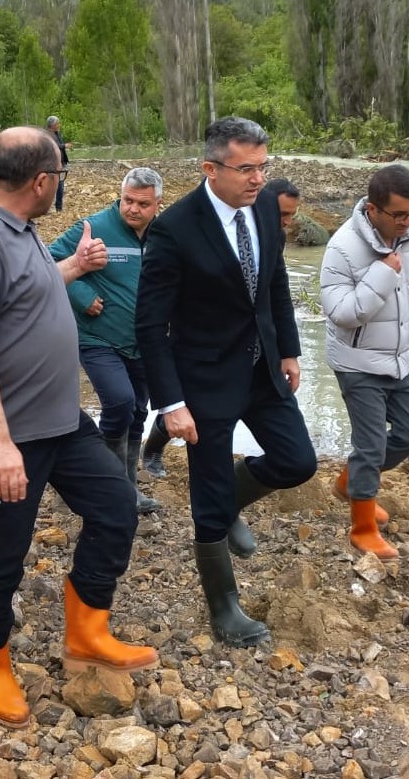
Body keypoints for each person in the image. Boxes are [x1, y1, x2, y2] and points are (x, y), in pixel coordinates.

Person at [0, 127, 155, 728]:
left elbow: (26, 295)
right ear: (41, 182)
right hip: (5, 439)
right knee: (0, 556)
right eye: (59, 174)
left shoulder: (18, 228)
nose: (59, 184)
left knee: (117, 508)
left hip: (60, 423)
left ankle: (87, 631)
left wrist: (73, 266)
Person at [136, 117, 318, 648]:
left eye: (264, 166)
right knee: (208, 497)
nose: (258, 178)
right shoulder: (175, 228)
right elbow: (149, 323)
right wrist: (170, 402)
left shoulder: (263, 207)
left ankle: (232, 502)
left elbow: (275, 281)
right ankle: (225, 607)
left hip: (262, 368)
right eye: (246, 169)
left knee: (297, 460)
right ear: (210, 168)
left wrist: (289, 347)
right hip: (204, 380)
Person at [321, 165, 409, 562]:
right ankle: (362, 528)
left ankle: (353, 481)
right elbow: (341, 312)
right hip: (357, 363)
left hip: (402, 357)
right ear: (373, 210)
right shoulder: (342, 247)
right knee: (370, 445)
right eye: (400, 215)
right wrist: (381, 273)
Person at [48, 168, 164, 515]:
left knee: (139, 411)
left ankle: (125, 485)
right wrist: (81, 293)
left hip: (144, 340)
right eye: (128, 200)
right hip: (97, 336)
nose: (133, 209)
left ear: (158, 203)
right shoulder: (95, 227)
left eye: (143, 204)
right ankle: (109, 480)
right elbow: (48, 260)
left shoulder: (165, 235)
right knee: (119, 401)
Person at [46, 116, 72, 211]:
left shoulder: (56, 133)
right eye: (57, 124)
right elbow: (53, 146)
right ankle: (56, 207)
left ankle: (58, 207)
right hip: (53, 164)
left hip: (60, 162)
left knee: (60, 185)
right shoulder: (48, 135)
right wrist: (64, 145)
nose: (59, 125)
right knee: (56, 186)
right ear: (52, 125)